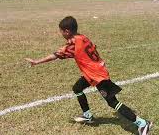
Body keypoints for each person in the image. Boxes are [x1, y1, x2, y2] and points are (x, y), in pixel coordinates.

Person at [25, 16, 153, 135]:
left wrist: (37, 62)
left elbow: (55, 55)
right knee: (77, 88)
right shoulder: (82, 37)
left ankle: (142, 123)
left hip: (98, 75)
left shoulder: (73, 44)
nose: (61, 34)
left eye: (61, 31)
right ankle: (88, 115)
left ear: (67, 31)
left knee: (112, 102)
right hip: (91, 73)